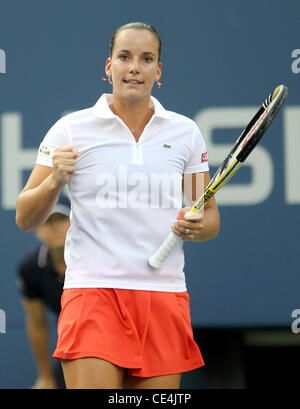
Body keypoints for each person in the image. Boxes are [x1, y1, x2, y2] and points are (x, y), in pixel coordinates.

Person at [15, 22, 220, 389]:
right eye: (124, 57)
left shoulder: (185, 133)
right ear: (108, 66)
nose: (134, 68)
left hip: (164, 297)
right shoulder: (70, 129)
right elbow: (26, 217)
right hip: (94, 294)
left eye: (146, 59)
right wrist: (54, 180)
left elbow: (209, 218)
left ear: (158, 71)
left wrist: (195, 227)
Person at [17, 193, 70, 389]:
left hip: (119, 342)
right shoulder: (30, 268)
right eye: (47, 220)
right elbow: (37, 323)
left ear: (75, 222)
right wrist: (45, 377)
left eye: (62, 219)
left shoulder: (97, 260)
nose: (55, 226)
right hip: (75, 348)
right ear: (37, 229)